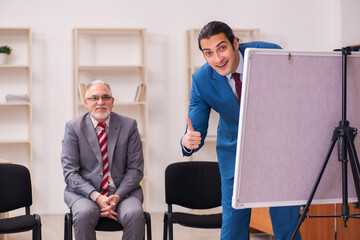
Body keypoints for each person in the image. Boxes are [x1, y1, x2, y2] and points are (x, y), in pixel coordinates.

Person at [181, 21, 301, 240]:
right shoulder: (201, 80)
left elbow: (296, 95)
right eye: (209, 53)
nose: (217, 59)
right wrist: (188, 141)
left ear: (235, 43)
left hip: (278, 151)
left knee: (287, 226)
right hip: (235, 154)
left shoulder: (269, 54)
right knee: (233, 228)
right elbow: (195, 128)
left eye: (222, 48)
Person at [61, 80, 145, 240]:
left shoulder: (129, 126)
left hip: (123, 194)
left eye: (105, 97)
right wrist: (98, 197)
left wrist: (117, 196)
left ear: (112, 102)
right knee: (84, 214)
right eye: (94, 98)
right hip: (85, 194)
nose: (100, 102)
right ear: (86, 103)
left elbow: (135, 170)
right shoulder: (73, 128)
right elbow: (70, 173)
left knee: (135, 215)